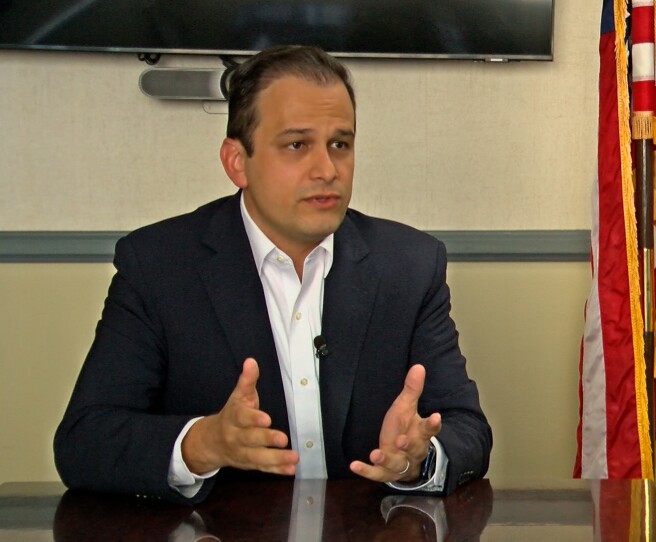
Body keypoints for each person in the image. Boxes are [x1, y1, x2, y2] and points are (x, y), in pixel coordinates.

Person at [53, 45, 492, 504]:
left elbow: (468, 430)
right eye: (297, 145)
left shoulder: (409, 265)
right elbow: (85, 440)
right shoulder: (159, 266)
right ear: (237, 162)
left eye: (340, 144)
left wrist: (416, 460)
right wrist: (203, 443)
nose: (327, 170)